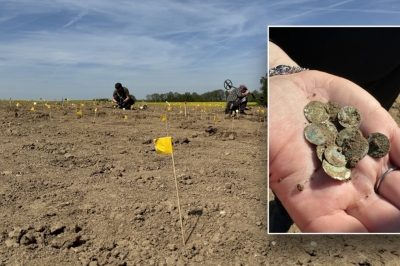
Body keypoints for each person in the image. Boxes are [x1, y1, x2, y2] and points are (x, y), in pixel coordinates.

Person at [269, 27, 400, 233]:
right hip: (300, 70)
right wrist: (275, 67)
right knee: (292, 174)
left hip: (383, 80)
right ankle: (283, 212)